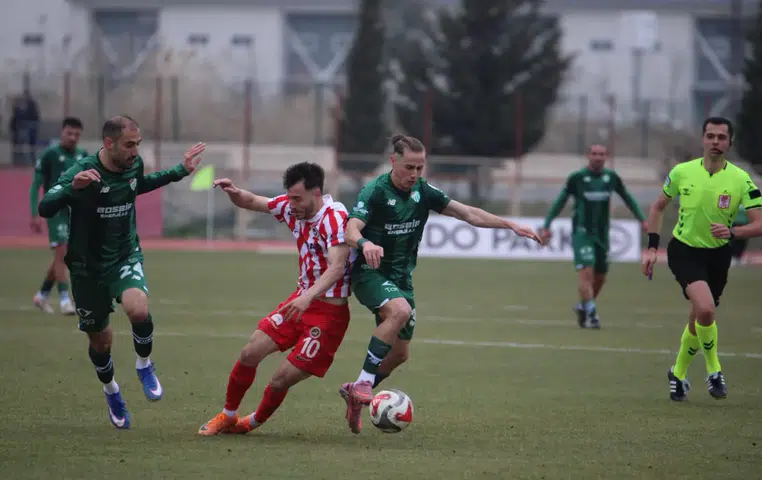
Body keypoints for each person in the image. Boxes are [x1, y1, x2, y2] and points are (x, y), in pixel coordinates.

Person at [340, 134, 543, 434]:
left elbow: (468, 213)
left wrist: (510, 224)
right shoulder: (375, 192)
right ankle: (362, 385)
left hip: (401, 278)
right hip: (370, 273)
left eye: (420, 168)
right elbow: (350, 229)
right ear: (393, 161)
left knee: (400, 354)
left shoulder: (424, 191)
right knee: (399, 312)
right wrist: (365, 243)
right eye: (409, 167)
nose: (415, 174)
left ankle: (356, 393)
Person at [38, 115, 206, 429]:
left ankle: (144, 365)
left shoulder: (134, 166)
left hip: (125, 254)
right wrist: (71, 190)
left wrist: (179, 171)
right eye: (129, 145)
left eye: (138, 144)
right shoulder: (82, 172)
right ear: (109, 143)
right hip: (87, 269)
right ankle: (112, 390)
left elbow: (139, 186)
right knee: (100, 343)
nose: (135, 151)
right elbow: (46, 205)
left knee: (137, 308)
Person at [199, 162, 354, 435]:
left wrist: (308, 297)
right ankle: (228, 415)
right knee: (250, 352)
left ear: (316, 193)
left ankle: (251, 422)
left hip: (329, 315)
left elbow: (337, 267)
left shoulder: (334, 218)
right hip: (300, 301)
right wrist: (234, 193)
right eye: (290, 197)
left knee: (281, 378)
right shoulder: (291, 207)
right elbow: (254, 201)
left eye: (298, 198)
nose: (291, 204)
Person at [642, 116, 762, 402]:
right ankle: (714, 370)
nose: (715, 142)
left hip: (719, 254)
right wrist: (651, 248)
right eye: (710, 136)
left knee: (699, 316)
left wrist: (733, 231)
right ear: (702, 139)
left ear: (729, 142)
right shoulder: (681, 172)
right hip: (684, 250)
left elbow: (760, 225)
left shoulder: (741, 180)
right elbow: (658, 207)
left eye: (721, 137)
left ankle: (678, 373)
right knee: (707, 309)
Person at [539, 144, 647, 329]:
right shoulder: (577, 178)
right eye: (595, 154)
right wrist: (547, 224)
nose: (598, 157)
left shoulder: (611, 178)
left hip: (602, 234)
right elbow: (560, 201)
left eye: (602, 154)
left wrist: (642, 220)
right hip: (582, 232)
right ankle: (592, 314)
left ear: (606, 157)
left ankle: (583, 306)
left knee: (601, 277)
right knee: (586, 273)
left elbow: (627, 197)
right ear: (588, 155)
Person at [29, 117, 88, 315]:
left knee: (63, 257)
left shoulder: (83, 156)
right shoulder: (49, 154)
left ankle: (42, 294)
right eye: (69, 133)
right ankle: (65, 300)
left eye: (76, 135)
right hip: (55, 210)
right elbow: (35, 184)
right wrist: (34, 214)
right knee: (62, 252)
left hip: (75, 212)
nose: (72, 138)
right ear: (62, 132)